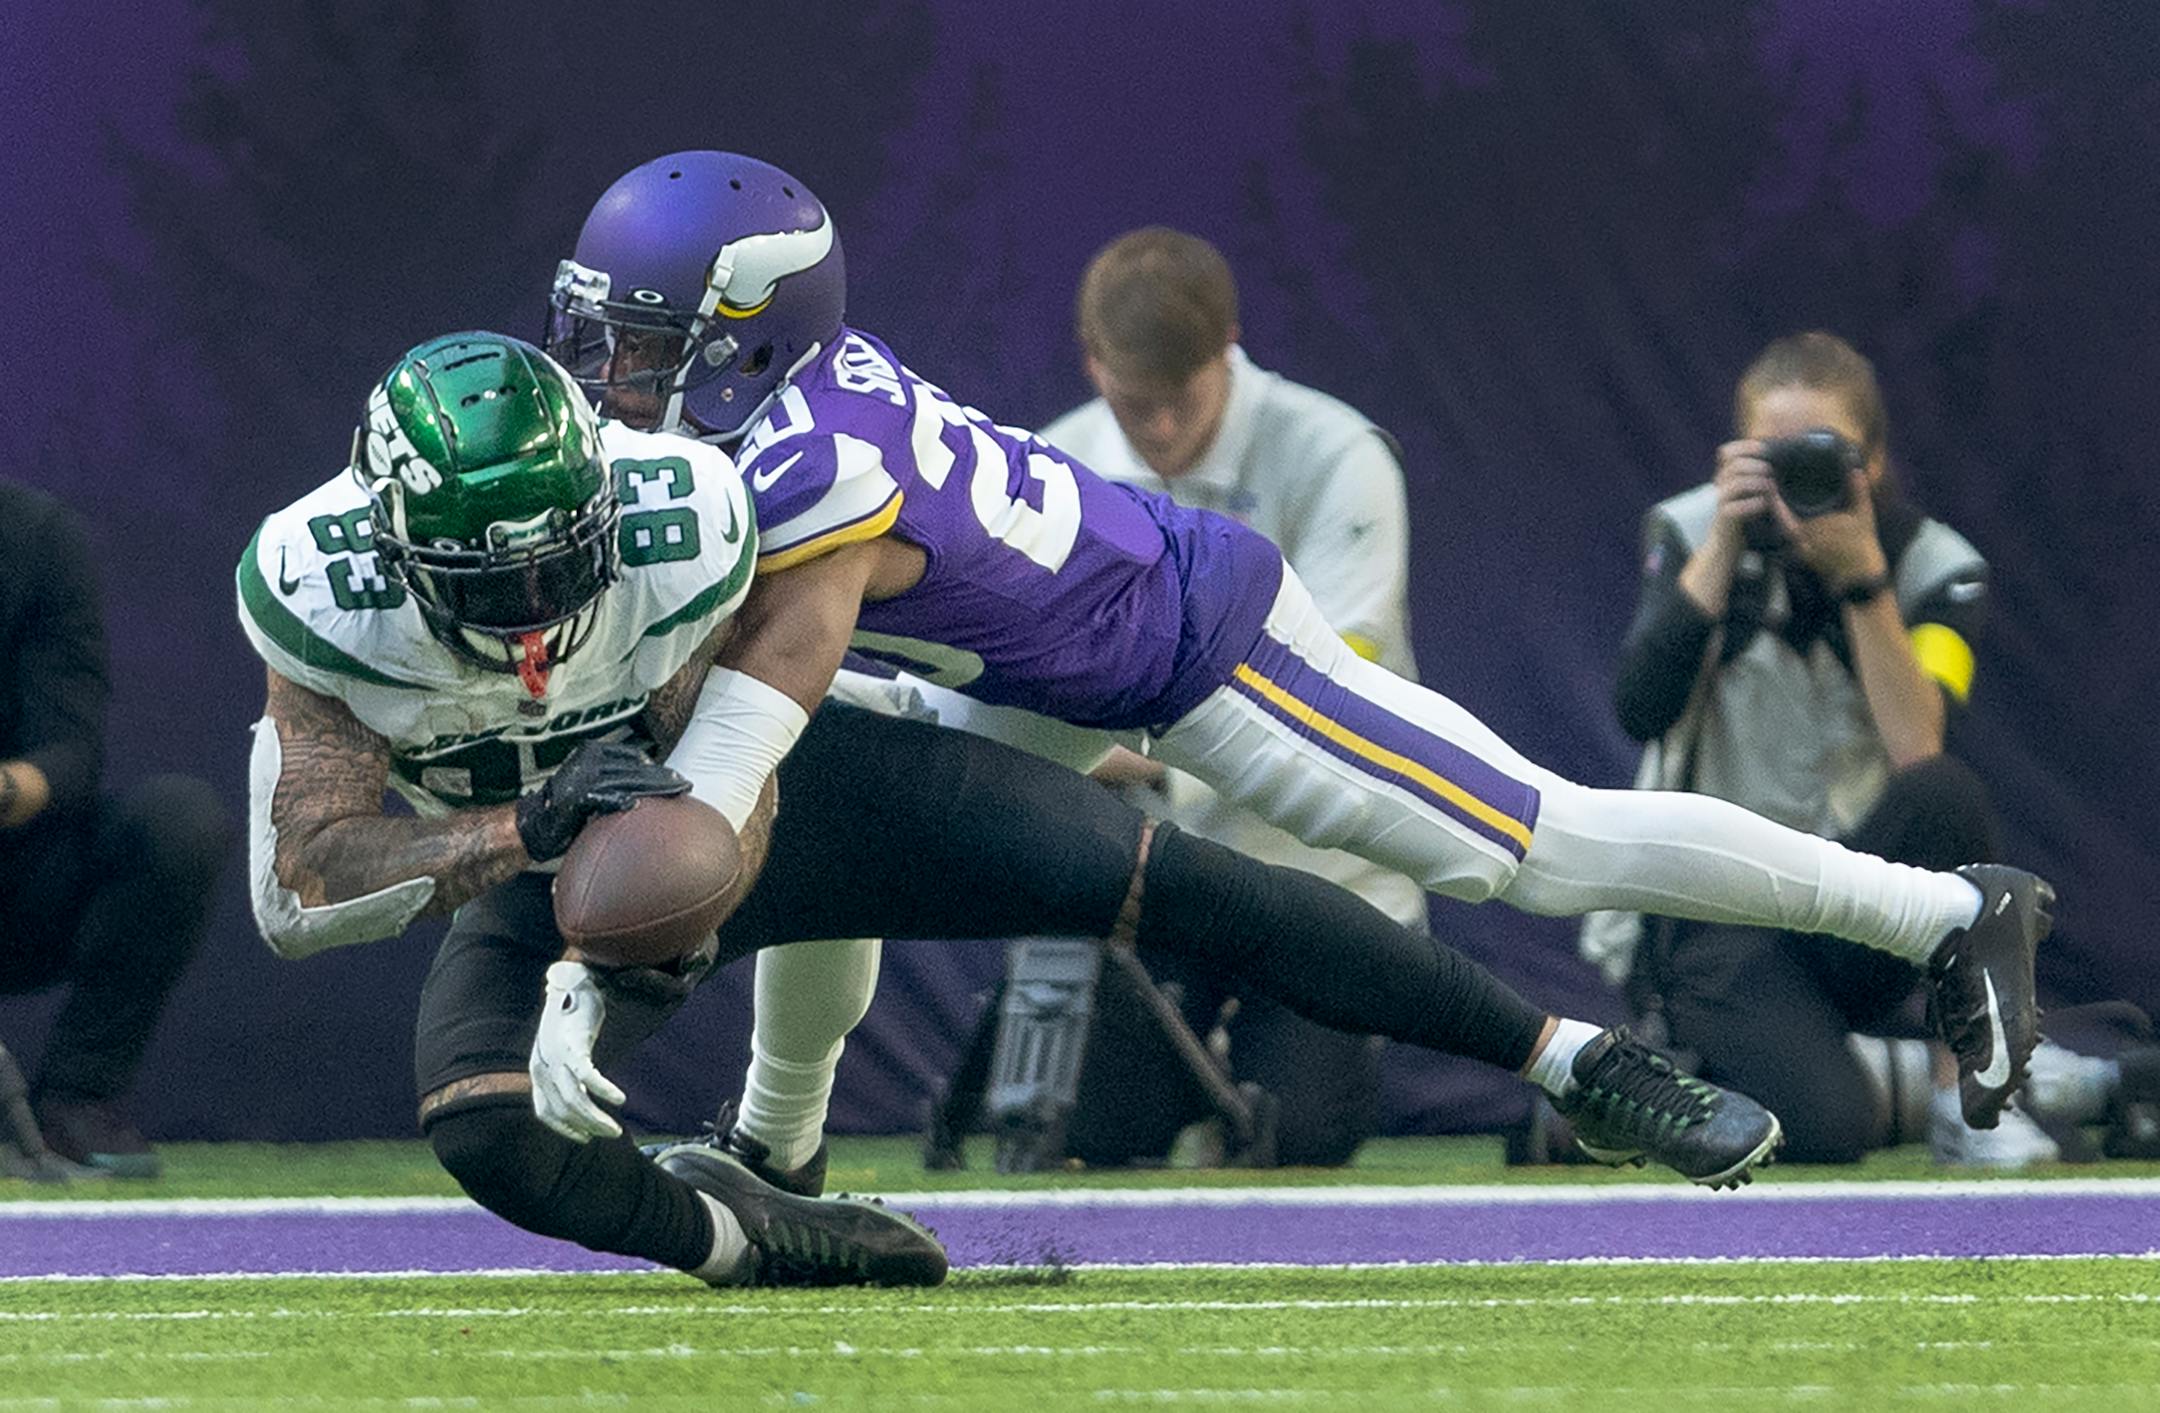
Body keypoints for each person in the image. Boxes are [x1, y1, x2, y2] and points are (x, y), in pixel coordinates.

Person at [540, 150, 2054, 1164]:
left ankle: (1943, 912)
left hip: (1188, 645)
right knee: (850, 824)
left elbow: (731, 754)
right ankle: (779, 1144)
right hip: (1036, 663)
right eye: (601, 333)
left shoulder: (805, 472)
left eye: (646, 343)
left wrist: (585, 968)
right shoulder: (766, 420)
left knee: (1533, 847)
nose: (611, 374)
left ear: (749, 335)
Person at [238, 334, 1781, 1294]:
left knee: (1164, 878)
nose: (534, 608)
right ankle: (755, 1238)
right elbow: (306, 884)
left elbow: (733, 780)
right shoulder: (320, 598)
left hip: (754, 792)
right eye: (489, 581)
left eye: (556, 558)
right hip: (548, 856)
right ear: (389, 545)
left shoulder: (679, 515)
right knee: (483, 1130)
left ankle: (1573, 1059)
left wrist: (624, 938)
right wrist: (527, 841)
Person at [1587, 331, 2052, 1165]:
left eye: (1822, 455)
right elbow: (1639, 709)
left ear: (1873, 460)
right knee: (1828, 1129)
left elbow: (1918, 745)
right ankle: (1857, 1076)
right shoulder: (1690, 532)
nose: (1796, 481)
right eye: (1773, 458)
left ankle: (1965, 1094)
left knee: (1948, 793)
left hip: (1857, 907)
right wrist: (1725, 545)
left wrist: (1863, 580)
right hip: (1717, 913)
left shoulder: (1938, 567)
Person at [1031, 226, 1424, 1164]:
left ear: (1229, 349)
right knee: (1095, 1138)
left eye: (1184, 398)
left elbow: (1335, 677)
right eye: (1138, 404)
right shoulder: (1048, 468)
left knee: (1300, 1138)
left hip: (1326, 875)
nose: (1163, 429)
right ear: (1092, 361)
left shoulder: (1339, 453)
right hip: (1151, 887)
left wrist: (1126, 747)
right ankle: (1175, 1077)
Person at [1, 479, 230, 1178]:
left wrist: (4, 789)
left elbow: (71, 754)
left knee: (179, 823)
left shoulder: (34, 537)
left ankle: (77, 1098)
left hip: (21, 876)